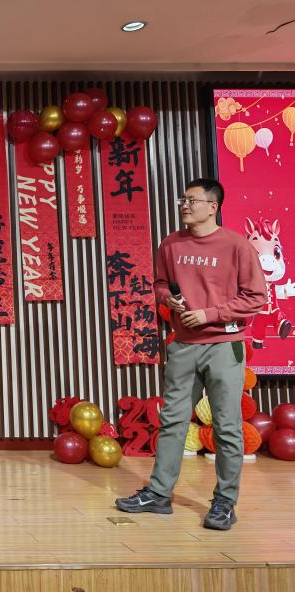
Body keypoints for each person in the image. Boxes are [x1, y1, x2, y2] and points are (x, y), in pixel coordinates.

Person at [116, 178, 267, 530]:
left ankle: (225, 502)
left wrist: (209, 314)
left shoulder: (237, 246)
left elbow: (256, 297)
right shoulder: (171, 243)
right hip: (183, 345)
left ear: (213, 207)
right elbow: (159, 283)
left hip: (223, 346)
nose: (184, 205)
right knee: (172, 421)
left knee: (227, 426)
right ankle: (159, 494)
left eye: (192, 200)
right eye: (182, 199)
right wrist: (168, 299)